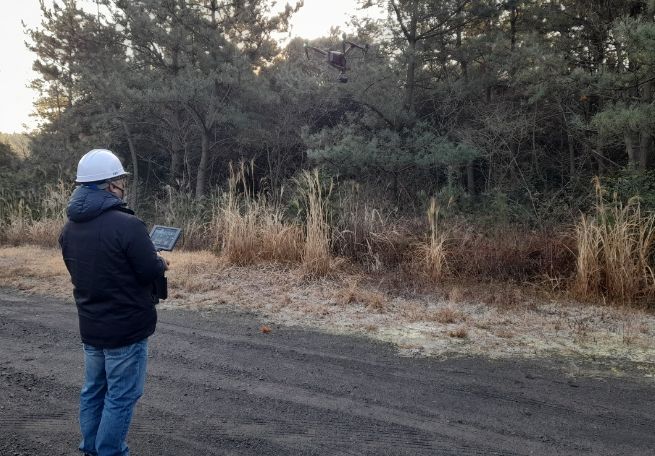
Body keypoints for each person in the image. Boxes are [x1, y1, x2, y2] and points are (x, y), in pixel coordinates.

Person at [59, 149, 169, 456]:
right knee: (121, 396)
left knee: (93, 390)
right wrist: (160, 262)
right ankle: (110, 451)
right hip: (125, 329)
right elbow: (147, 270)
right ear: (110, 185)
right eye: (120, 180)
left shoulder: (69, 228)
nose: (123, 185)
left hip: (91, 326)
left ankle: (91, 449)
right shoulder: (127, 224)